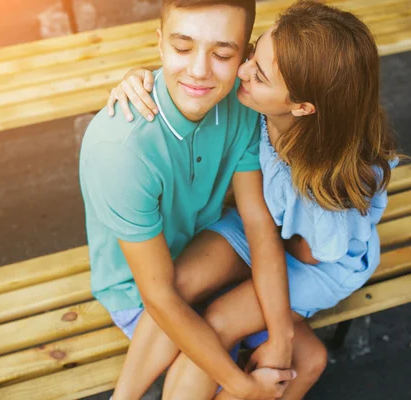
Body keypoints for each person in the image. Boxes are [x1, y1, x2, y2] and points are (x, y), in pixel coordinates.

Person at [105, 1, 400, 399]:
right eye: (253, 52)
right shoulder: (260, 102)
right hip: (261, 220)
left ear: (301, 106)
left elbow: (303, 251)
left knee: (218, 321)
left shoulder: (327, 190)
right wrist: (137, 78)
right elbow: (192, 69)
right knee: (177, 286)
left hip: (314, 259)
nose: (241, 70)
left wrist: (262, 294)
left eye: (258, 75)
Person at [79, 1, 300, 399]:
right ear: (159, 43)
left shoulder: (242, 100)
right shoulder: (121, 149)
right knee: (222, 378)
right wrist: (243, 385)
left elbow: (257, 222)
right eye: (183, 48)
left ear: (245, 55)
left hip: (208, 253)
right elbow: (160, 296)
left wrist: (280, 344)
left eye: (222, 54)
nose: (199, 70)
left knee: (302, 361)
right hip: (141, 292)